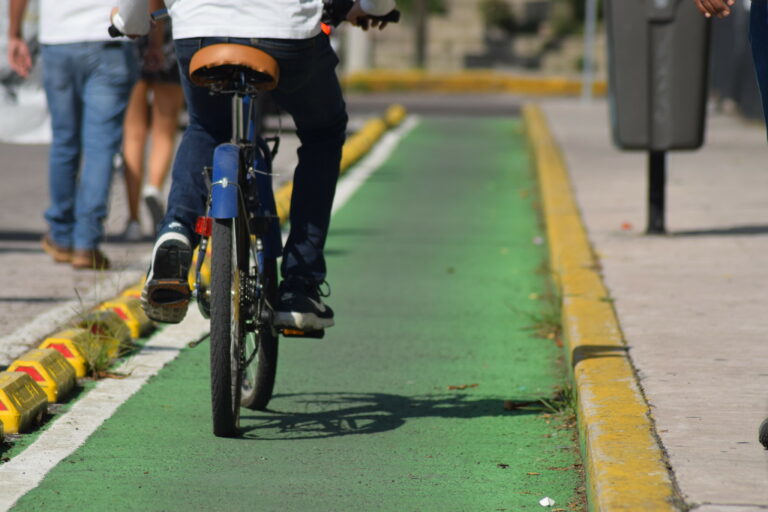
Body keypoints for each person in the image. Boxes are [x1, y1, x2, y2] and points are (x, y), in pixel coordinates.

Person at [113, 0, 396, 328]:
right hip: (284, 32)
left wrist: (129, 21)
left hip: (201, 30)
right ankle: (300, 285)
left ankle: (177, 229)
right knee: (323, 134)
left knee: (206, 126)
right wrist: (372, 8)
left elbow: (135, 13)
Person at [8, 0, 137, 270]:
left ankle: (61, 235)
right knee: (101, 146)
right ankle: (86, 243)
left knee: (65, 141)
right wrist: (156, 40)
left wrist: (15, 33)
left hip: (60, 38)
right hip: (111, 36)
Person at [121, 18, 184, 241]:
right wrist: (157, 43)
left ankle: (133, 220)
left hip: (134, 36)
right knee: (164, 131)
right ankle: (154, 187)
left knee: (133, 133)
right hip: (169, 37)